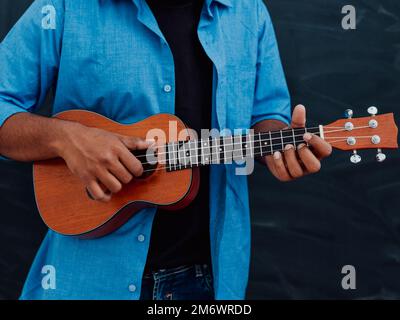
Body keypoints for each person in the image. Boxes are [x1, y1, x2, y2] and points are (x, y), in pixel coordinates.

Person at [0, 0, 331, 300]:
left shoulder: (249, 12)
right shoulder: (67, 7)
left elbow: (265, 115)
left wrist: (280, 144)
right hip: (90, 280)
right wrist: (67, 138)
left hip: (210, 283)